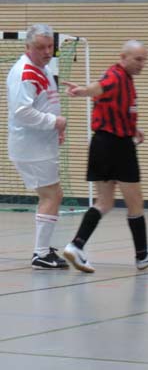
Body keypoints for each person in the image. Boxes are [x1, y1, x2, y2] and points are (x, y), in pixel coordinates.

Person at [61, 40, 148, 273]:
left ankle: (76, 245)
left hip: (101, 143)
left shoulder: (125, 79)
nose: (142, 64)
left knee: (104, 202)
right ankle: (142, 255)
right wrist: (83, 91)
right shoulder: (117, 76)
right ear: (124, 57)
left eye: (144, 60)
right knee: (135, 200)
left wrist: (133, 128)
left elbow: (116, 107)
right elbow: (100, 87)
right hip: (117, 146)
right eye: (138, 59)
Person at [7, 23, 69, 270]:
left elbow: (44, 104)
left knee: (53, 194)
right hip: (32, 147)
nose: (46, 52)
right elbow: (22, 112)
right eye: (40, 47)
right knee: (52, 195)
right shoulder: (25, 72)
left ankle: (42, 248)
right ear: (27, 47)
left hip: (41, 144)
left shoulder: (41, 68)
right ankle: (41, 253)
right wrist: (55, 122)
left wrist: (56, 129)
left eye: (50, 46)